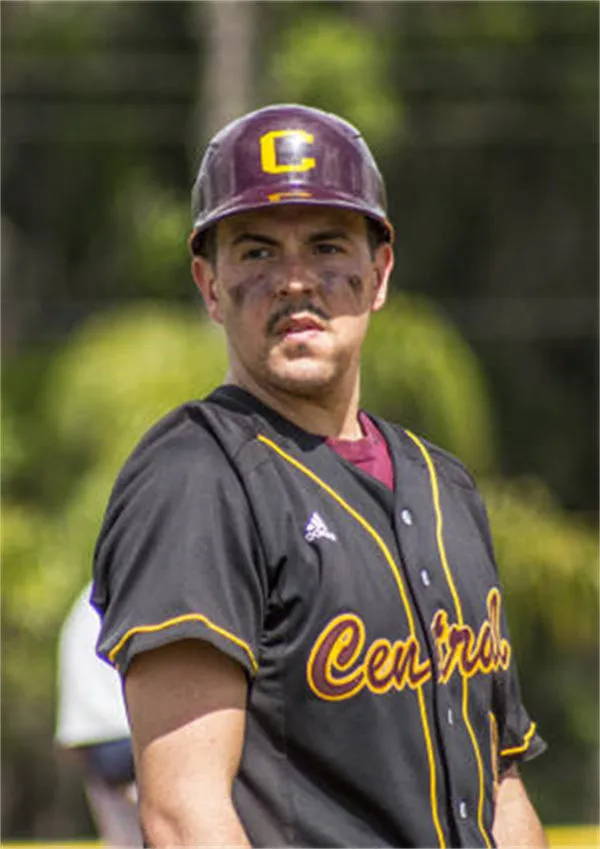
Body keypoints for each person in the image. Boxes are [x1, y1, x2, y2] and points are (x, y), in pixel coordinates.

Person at [91, 103, 547, 848]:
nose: (296, 280)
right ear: (210, 284)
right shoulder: (196, 478)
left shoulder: (445, 486)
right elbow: (182, 814)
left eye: (329, 246)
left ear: (379, 273)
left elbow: (501, 780)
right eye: (258, 252)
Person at [55, 581, 143, 846]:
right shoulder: (138, 582)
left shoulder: (93, 593)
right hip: (124, 734)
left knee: (125, 839)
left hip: (96, 740)